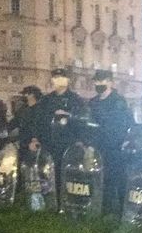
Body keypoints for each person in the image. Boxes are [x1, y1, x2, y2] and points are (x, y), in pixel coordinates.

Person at [88, 69, 134, 215]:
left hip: (115, 148)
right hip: (98, 147)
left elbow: (125, 124)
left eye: (101, 81)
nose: (98, 84)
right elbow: (89, 124)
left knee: (119, 181)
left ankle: (123, 212)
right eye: (96, 81)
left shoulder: (118, 101)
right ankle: (104, 210)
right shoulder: (93, 102)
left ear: (110, 82)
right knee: (102, 180)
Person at [40, 67, 86, 193]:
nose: (57, 81)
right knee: (49, 172)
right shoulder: (46, 100)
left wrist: (68, 115)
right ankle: (52, 199)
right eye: (54, 78)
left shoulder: (75, 99)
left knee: (69, 173)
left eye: (60, 78)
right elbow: (39, 120)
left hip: (68, 142)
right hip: (50, 142)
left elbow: (82, 120)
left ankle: (68, 200)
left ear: (67, 80)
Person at [10, 86, 45, 154]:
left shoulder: (41, 110)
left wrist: (35, 139)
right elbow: (14, 122)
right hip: (23, 142)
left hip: (35, 145)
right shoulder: (23, 109)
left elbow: (41, 127)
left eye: (25, 94)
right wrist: (3, 133)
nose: (23, 96)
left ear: (31, 95)